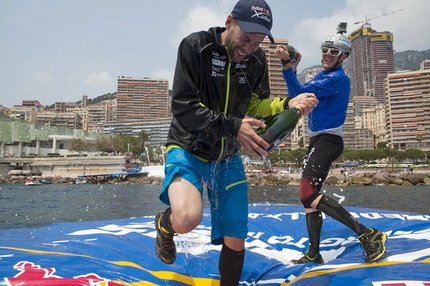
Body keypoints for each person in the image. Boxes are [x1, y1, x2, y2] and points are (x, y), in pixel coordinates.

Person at [153, 0, 318, 284]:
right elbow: (183, 106)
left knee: (236, 236)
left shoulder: (256, 60)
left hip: (227, 156)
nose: (249, 47)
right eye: (245, 38)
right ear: (230, 22)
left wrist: (288, 103)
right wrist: (234, 126)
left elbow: (257, 104)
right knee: (187, 219)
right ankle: (164, 225)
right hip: (188, 147)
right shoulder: (195, 46)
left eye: (257, 42)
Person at [274, 23, 387, 264]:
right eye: (325, 49)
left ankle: (368, 234)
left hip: (328, 140)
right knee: (308, 200)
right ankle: (314, 253)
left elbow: (299, 93)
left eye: (333, 52)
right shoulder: (323, 76)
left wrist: (286, 65)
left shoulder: (337, 78)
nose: (327, 54)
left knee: (307, 192)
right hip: (318, 141)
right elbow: (300, 92)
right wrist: (293, 65)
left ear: (344, 56)